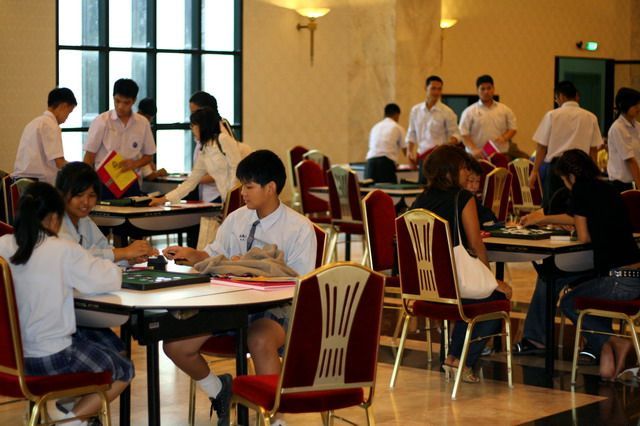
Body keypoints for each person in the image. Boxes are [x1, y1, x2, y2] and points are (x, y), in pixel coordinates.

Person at [161, 150, 316, 426]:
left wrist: (253, 273)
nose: (242, 193)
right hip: (229, 305)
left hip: (277, 308)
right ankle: (219, 390)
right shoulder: (236, 218)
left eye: (248, 186)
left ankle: (276, 419)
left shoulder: (299, 228)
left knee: (260, 340)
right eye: (242, 185)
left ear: (270, 188)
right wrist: (192, 254)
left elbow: (301, 284)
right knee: (175, 345)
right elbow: (214, 256)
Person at [0, 182, 133, 426]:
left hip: (10, 360)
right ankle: (71, 421)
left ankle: (75, 408)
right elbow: (108, 278)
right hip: (53, 357)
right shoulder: (62, 249)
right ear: (54, 218)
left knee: (105, 344)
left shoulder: (3, 245)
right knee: (124, 370)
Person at [520, 150, 640, 379]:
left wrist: (545, 220)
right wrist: (546, 218)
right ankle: (605, 350)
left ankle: (613, 341)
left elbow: (583, 236)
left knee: (569, 302)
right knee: (582, 287)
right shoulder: (607, 188)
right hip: (634, 278)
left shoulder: (580, 191)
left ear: (570, 177)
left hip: (617, 281)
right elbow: (582, 217)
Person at [410, 145, 512, 382]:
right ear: (449, 171)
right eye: (464, 168)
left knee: (475, 300)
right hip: (453, 286)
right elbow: (476, 243)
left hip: (424, 287)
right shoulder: (463, 198)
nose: (467, 173)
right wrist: (491, 280)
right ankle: (462, 360)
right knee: (497, 299)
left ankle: (453, 359)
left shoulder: (419, 201)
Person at [56, 161, 157, 264]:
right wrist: (125, 252)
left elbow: (104, 249)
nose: (86, 202)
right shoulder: (55, 224)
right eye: (79, 195)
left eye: (91, 195)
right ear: (61, 194)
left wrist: (129, 259)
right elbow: (78, 258)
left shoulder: (84, 220)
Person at [530, 81, 602, 211]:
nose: (556, 101)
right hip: (581, 169)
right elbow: (593, 150)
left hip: (557, 168)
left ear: (561, 96)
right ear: (576, 96)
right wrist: (595, 174)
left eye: (556, 98)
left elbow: (541, 146)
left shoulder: (552, 115)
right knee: (579, 209)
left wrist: (534, 171)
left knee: (553, 208)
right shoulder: (591, 117)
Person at [149, 107, 242, 205]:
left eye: (193, 125)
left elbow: (237, 170)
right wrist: (162, 199)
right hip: (226, 200)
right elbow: (191, 182)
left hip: (237, 198)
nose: (192, 129)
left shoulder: (223, 139)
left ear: (202, 126)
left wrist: (231, 199)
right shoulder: (205, 150)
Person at [83, 78, 156, 199]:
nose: (120, 106)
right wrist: (86, 185)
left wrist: (134, 164)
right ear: (113, 97)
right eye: (117, 101)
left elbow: (149, 156)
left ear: (134, 101)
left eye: (126, 103)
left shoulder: (142, 123)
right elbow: (89, 156)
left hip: (131, 183)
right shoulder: (101, 121)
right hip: (104, 183)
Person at [189, 91, 252, 201]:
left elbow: (223, 169)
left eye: (195, 112)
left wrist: (195, 178)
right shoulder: (205, 133)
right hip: (208, 193)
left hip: (218, 194)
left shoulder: (221, 135)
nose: (193, 117)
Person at [12, 88, 77, 185]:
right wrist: (78, 169)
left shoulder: (34, 123)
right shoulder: (50, 125)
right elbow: (59, 163)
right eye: (69, 112)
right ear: (63, 106)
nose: (66, 118)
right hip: (37, 185)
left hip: (21, 182)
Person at [406, 75, 461, 182]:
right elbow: (411, 133)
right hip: (422, 157)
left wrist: (449, 142)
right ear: (425, 88)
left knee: (439, 187)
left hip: (440, 158)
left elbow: (456, 135)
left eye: (439, 89)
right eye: (433, 88)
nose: (436, 92)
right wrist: (409, 151)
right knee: (422, 188)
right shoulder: (415, 110)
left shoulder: (447, 112)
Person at [459, 74, 517, 157]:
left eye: (489, 88)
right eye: (482, 89)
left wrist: (504, 137)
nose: (486, 92)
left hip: (500, 154)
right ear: (477, 90)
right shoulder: (469, 112)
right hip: (476, 155)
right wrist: (474, 149)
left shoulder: (505, 110)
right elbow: (463, 133)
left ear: (493, 89)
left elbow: (513, 128)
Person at [607, 87, 640, 192]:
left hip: (634, 182)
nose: (638, 107)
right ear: (623, 105)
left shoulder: (637, 126)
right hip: (621, 185)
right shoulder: (618, 128)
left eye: (638, 104)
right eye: (634, 104)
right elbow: (630, 160)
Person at [364, 103, 406, 183]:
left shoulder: (375, 127)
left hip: (370, 164)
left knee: (370, 190)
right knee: (388, 190)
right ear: (397, 115)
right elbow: (406, 151)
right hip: (385, 164)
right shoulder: (397, 127)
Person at [136, 97, 168, 181]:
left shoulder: (139, 127)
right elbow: (148, 175)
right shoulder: (139, 132)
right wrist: (158, 173)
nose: (148, 122)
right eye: (149, 119)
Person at [465, 157, 498, 226]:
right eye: (471, 181)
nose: (475, 186)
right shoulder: (462, 199)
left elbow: (489, 215)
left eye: (477, 181)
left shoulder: (473, 198)